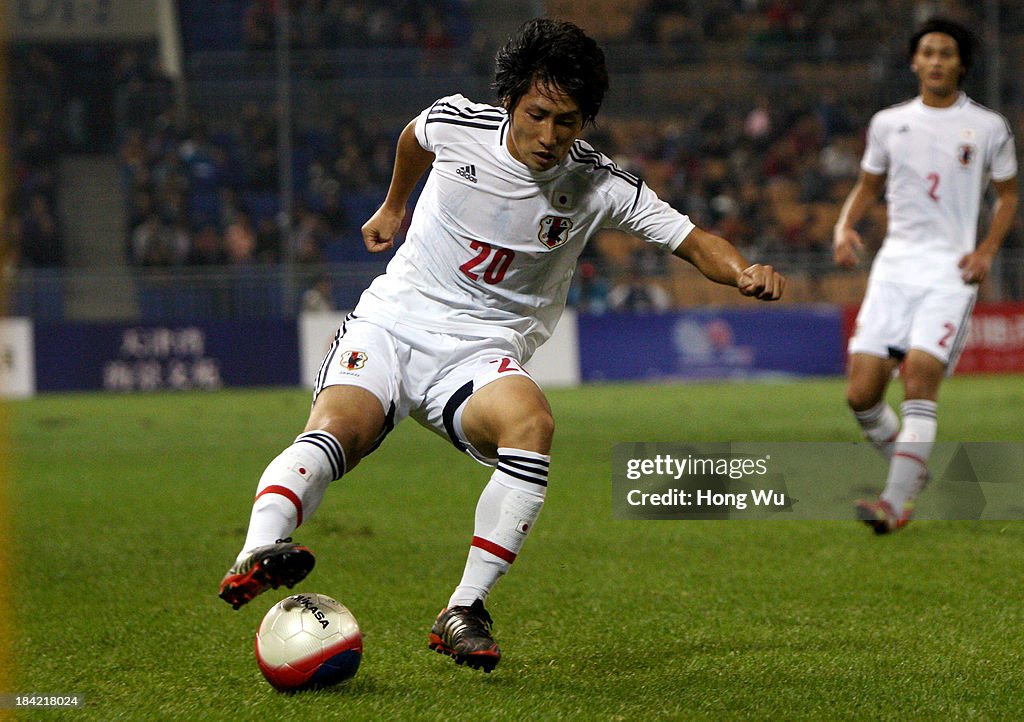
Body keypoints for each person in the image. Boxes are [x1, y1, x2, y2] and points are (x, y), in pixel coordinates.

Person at [219, 18, 785, 672]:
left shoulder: (601, 184)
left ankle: (464, 607)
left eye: (568, 122)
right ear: (510, 100)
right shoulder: (456, 123)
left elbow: (692, 240)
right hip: (393, 322)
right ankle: (258, 551)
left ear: (586, 121)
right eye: (538, 115)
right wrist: (394, 206)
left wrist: (741, 270)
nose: (549, 137)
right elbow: (413, 139)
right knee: (339, 429)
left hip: (480, 353)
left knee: (531, 423)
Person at [832, 17, 1018, 534]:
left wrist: (985, 251)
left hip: (950, 272)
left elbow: (1007, 196)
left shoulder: (987, 127)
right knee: (861, 395)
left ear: (961, 64)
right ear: (914, 61)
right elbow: (868, 186)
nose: (937, 61)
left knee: (918, 375)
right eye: (928, 52)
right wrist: (845, 227)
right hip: (894, 267)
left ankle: (893, 502)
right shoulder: (889, 123)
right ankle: (911, 471)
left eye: (947, 53)